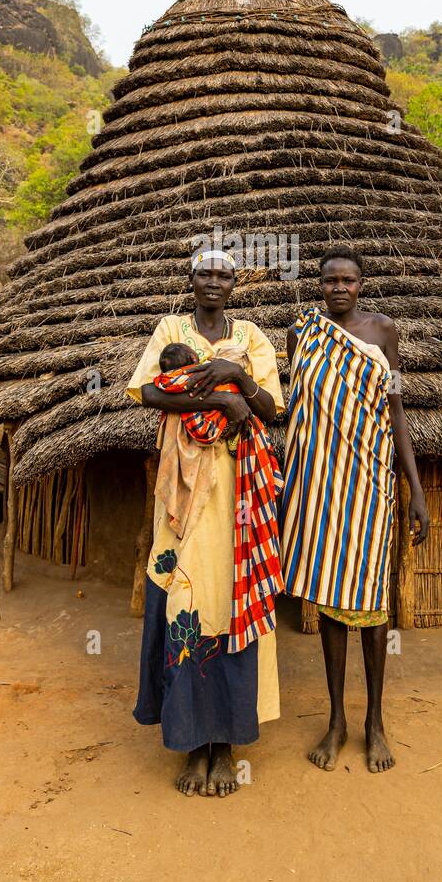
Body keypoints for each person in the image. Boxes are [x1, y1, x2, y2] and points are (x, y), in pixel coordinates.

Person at [127, 248, 285, 797]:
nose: (213, 281)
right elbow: (148, 390)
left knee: (229, 597)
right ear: (190, 280)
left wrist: (236, 376)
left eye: (223, 274)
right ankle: (192, 745)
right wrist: (218, 393)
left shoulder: (252, 337)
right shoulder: (169, 327)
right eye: (204, 273)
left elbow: (269, 408)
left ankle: (225, 747)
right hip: (181, 498)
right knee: (183, 601)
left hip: (239, 495)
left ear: (235, 283)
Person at [281, 244, 430, 774]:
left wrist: (415, 489)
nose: (339, 288)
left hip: (368, 485)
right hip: (323, 487)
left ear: (361, 285)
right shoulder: (304, 334)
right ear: (320, 286)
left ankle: (376, 723)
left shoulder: (383, 332)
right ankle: (337, 721)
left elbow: (395, 409)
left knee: (371, 606)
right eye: (330, 281)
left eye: (348, 280)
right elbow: (298, 413)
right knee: (327, 604)